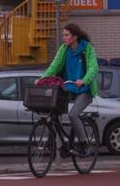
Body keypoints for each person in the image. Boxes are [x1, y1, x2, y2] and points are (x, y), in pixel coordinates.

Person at [40, 23, 100, 154]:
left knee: (73, 115)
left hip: (84, 89)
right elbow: (54, 66)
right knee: (54, 111)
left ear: (75, 36)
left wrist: (84, 80)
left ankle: (84, 144)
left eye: (66, 35)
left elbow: (93, 68)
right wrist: (42, 78)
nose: (64, 38)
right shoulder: (64, 49)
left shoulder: (87, 48)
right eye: (63, 35)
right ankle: (58, 142)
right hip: (68, 87)